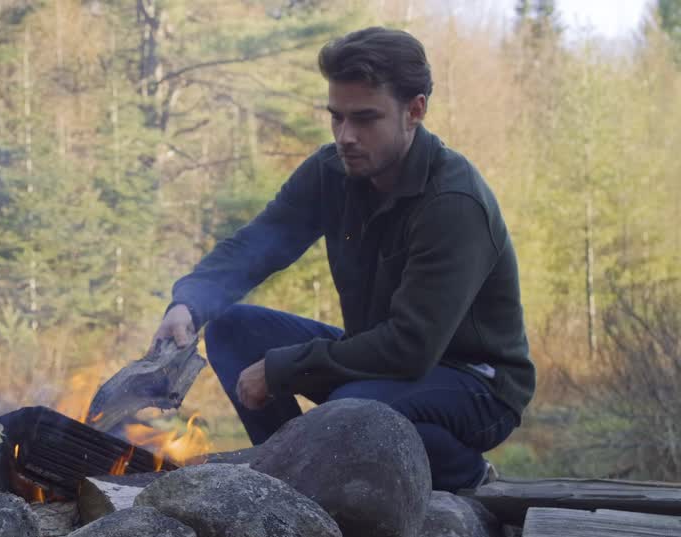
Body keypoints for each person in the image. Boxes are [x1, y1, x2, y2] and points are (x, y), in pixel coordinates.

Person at [152, 27, 534, 492]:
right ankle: (289, 483)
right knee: (234, 330)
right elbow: (258, 243)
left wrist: (282, 369)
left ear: (415, 111)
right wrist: (189, 303)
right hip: (384, 361)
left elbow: (410, 348)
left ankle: (462, 472)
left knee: (351, 415)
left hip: (476, 385)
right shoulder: (331, 171)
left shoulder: (453, 203)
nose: (346, 136)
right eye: (337, 118)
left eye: (365, 119)